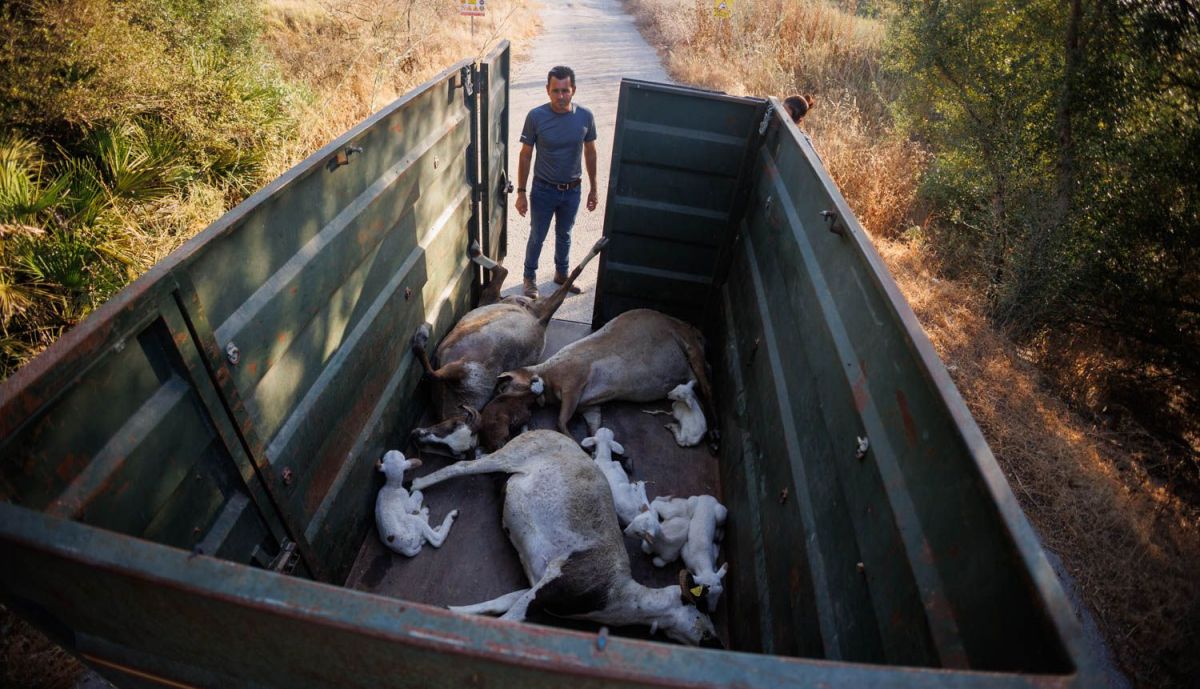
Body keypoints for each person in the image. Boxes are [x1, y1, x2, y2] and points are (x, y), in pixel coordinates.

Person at [514, 65, 598, 299]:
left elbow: (590, 153)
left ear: (574, 90)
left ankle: (562, 275)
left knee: (565, 234)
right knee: (537, 235)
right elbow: (525, 155)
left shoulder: (585, 116)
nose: (561, 96)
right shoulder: (536, 116)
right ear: (547, 91)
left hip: (572, 190)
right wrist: (520, 192)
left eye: (565, 91)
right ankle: (529, 278)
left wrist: (594, 188)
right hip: (543, 189)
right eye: (556, 91)